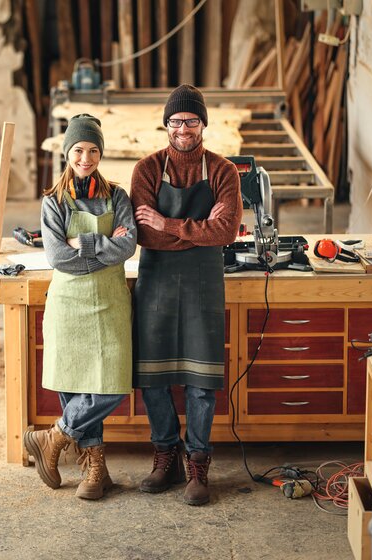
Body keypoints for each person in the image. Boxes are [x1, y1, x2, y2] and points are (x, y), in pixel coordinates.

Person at [130, 84, 242, 506]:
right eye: (176, 121)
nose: (183, 129)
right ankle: (166, 456)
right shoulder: (145, 170)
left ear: (202, 125)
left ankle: (198, 462)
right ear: (166, 125)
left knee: (201, 382)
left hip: (202, 284)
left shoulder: (223, 172)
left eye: (191, 121)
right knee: (152, 379)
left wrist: (169, 224)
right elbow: (143, 236)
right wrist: (198, 230)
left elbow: (226, 232)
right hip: (156, 281)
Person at [23, 114, 137, 500]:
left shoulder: (118, 197)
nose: (85, 157)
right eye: (78, 150)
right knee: (76, 388)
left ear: (100, 152)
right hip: (69, 306)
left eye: (92, 150)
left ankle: (53, 437)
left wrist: (82, 245)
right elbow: (57, 257)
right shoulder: (53, 202)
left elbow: (129, 245)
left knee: (113, 387)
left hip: (109, 303)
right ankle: (94, 469)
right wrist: (102, 247)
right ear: (67, 153)